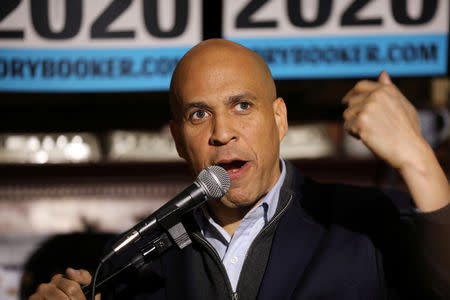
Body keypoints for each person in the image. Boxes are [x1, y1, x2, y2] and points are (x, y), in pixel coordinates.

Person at [29, 39, 449, 300]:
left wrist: (417, 157)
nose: (222, 132)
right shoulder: (132, 259)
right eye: (199, 115)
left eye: (242, 106)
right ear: (178, 140)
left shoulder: (366, 222)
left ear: (279, 119)